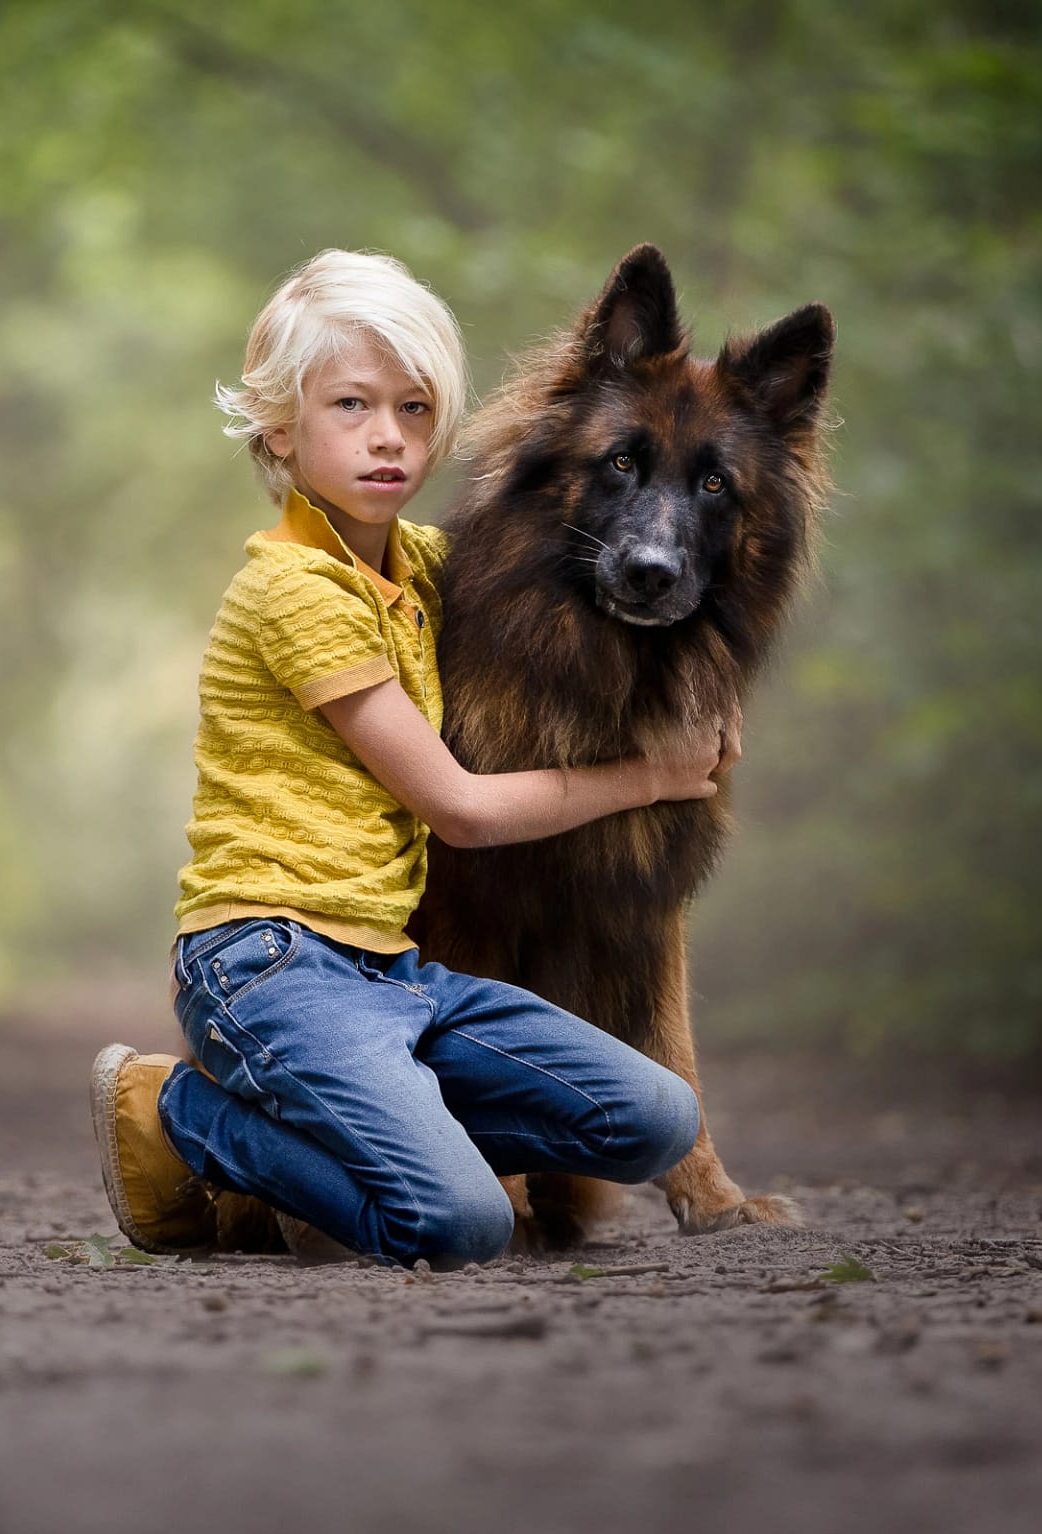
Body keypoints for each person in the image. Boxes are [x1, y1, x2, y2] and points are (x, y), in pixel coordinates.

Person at [90, 248, 728, 1269]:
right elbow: (462, 811)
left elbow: (551, 591)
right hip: (268, 965)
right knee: (460, 1224)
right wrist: (653, 777)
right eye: (352, 405)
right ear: (280, 428)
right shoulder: (294, 592)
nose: (389, 436)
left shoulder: (422, 567)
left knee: (655, 1122)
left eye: (416, 408)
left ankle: (373, 1136)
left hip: (392, 975)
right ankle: (180, 1115)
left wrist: (688, 670)